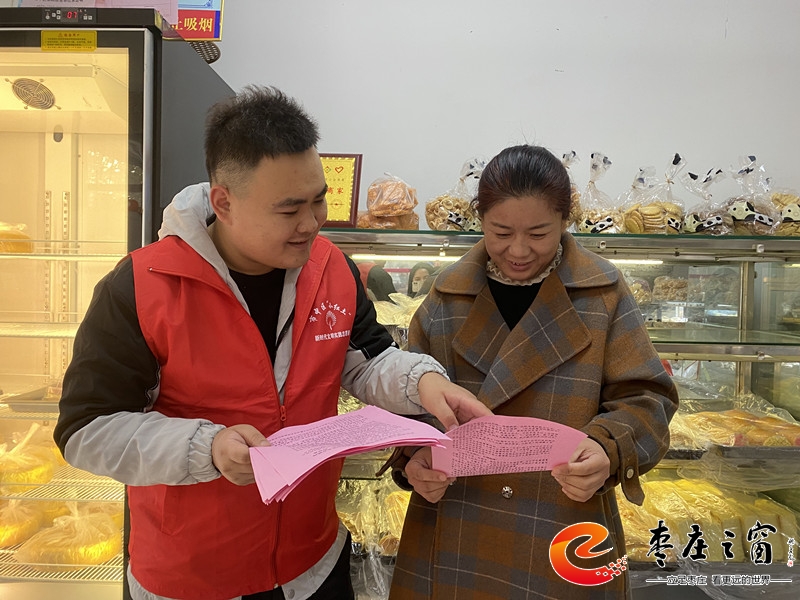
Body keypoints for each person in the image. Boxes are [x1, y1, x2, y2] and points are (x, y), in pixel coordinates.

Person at [53, 85, 490, 600]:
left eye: (319, 199)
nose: (312, 223)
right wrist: (207, 448)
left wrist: (425, 383)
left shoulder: (330, 268)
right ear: (224, 202)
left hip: (312, 564)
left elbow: (365, 361)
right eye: (289, 210)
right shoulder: (142, 286)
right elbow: (87, 430)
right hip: (190, 576)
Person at [388, 145, 679, 599]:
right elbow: (410, 403)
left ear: (565, 220)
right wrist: (415, 458)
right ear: (480, 220)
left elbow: (647, 398)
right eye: (500, 232)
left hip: (564, 520)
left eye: (539, 233)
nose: (518, 250)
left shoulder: (602, 292)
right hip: (456, 521)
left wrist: (608, 448)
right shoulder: (447, 297)